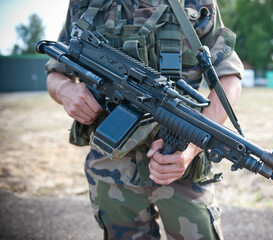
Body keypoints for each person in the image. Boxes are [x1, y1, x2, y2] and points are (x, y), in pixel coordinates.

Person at [45, 0, 243, 239]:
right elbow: (55, 68)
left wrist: (191, 148)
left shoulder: (196, 3)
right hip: (111, 169)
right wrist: (66, 90)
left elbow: (229, 76)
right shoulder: (84, 3)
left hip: (178, 160)